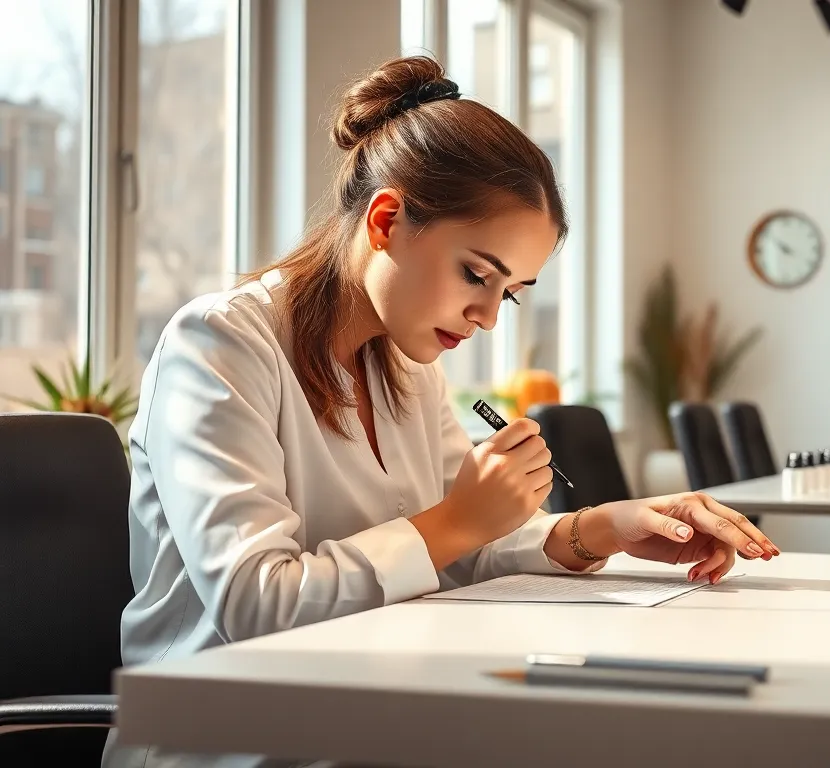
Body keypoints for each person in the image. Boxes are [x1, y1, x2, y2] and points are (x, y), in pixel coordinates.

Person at [104, 55, 778, 768]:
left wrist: (600, 528)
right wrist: (457, 519)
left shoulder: (402, 361)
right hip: (234, 739)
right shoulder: (217, 345)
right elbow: (257, 603)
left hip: (367, 710)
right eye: (476, 275)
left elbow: (466, 549)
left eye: (511, 292)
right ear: (387, 220)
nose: (488, 317)